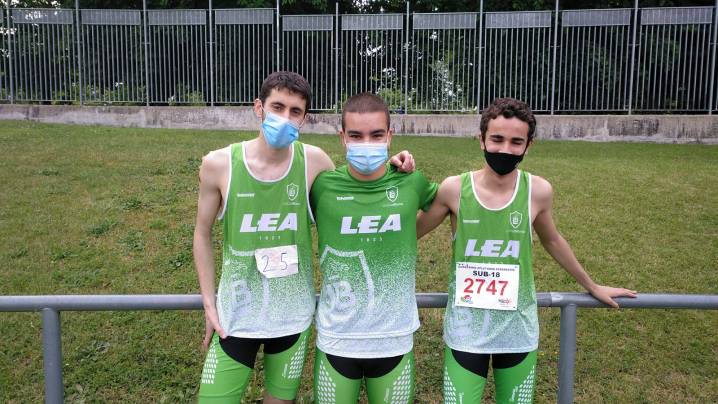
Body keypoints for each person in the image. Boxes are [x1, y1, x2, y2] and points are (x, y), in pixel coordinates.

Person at [193, 72, 414, 403]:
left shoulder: (315, 162)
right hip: (235, 314)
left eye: (295, 111)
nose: (285, 117)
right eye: (277, 107)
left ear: (304, 117)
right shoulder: (219, 163)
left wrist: (392, 162)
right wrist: (209, 302)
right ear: (258, 107)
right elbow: (201, 233)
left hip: (292, 315)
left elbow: (354, 189)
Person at [416, 98, 637, 403]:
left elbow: (553, 240)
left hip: (517, 329)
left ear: (528, 145)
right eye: (497, 139)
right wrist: (395, 182)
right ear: (480, 139)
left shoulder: (538, 191)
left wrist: (591, 285)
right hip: (466, 329)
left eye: (516, 141)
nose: (505, 149)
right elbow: (409, 233)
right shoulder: (454, 189)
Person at [310, 93, 438, 403]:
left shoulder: (412, 182)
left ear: (390, 136)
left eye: (376, 135)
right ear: (342, 138)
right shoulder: (321, 185)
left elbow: (448, 202)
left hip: (394, 338)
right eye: (356, 135)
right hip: (337, 338)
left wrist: (406, 236)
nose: (366, 143)